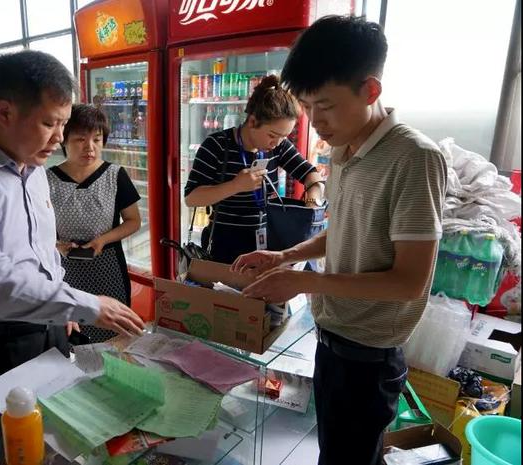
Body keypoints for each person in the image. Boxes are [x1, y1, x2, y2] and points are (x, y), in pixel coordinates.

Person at [232, 16, 447, 465]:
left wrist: (302, 282)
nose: (317, 121)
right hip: (331, 339)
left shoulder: (415, 158)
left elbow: (408, 281)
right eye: (309, 106)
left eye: (326, 106)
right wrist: (286, 256)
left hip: (369, 358)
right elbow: (349, 229)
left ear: (370, 91)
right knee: (332, 452)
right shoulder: (344, 148)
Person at [0, 51, 144, 416]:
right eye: (50, 123)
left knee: (56, 435)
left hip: (46, 326)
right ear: (5, 112)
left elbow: (43, 250)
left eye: (63, 125)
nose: (59, 138)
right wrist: (87, 305)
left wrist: (60, 308)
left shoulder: (33, 169)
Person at [184, 74, 325, 264]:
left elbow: (312, 175)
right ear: (252, 122)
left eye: (284, 137)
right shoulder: (217, 145)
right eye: (272, 135)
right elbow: (192, 198)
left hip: (268, 242)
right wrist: (235, 186)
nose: (277, 143)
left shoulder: (280, 146)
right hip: (225, 244)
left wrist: (312, 202)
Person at [47, 104, 141, 342]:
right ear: (63, 140)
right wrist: (56, 245)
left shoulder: (115, 175)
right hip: (64, 269)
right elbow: (37, 229)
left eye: (97, 139)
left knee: (114, 332)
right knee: (73, 334)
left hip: (107, 267)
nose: (90, 147)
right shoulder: (46, 179)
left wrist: (102, 240)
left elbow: (133, 221)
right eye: (80, 139)